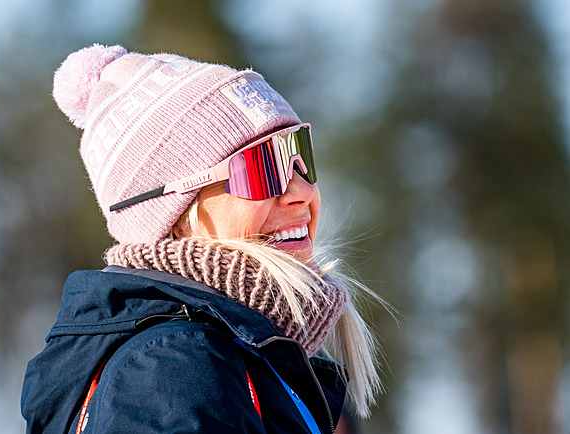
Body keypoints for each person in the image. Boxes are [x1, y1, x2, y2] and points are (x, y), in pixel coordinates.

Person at [21, 44, 381, 434]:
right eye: (262, 166)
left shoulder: (240, 357)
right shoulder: (170, 371)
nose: (301, 191)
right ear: (173, 215)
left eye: (300, 156)